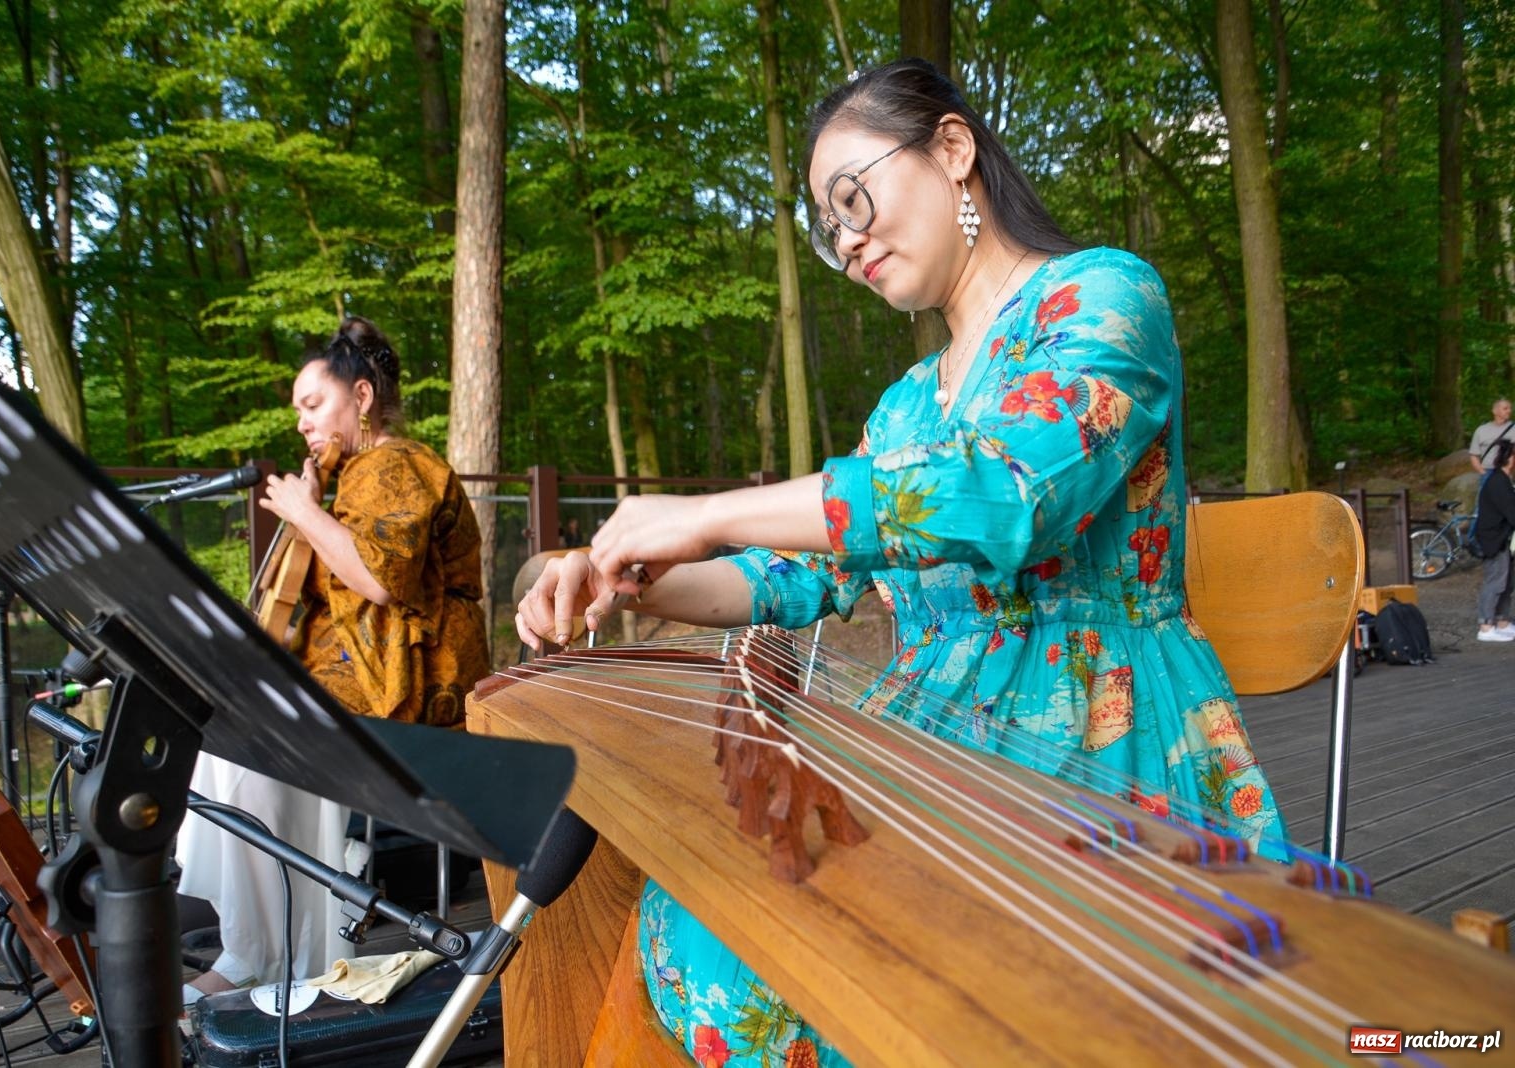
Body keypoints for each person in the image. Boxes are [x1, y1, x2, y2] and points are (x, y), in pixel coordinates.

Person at [515, 59, 1288, 1067]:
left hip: (1097, 742)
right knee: (710, 933)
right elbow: (794, 579)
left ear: (954, 150)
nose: (847, 242)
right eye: (827, 228)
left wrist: (702, 513)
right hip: (928, 744)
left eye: (852, 199)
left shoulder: (1101, 297)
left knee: (937, 1002)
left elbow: (1010, 494)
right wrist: (624, 572)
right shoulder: (908, 405)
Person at [177, 315, 492, 1002]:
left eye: (313, 404)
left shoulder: (397, 465)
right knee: (230, 732)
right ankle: (269, 944)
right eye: (298, 411)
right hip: (366, 683)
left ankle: (271, 951)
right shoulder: (354, 479)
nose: (301, 423)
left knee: (248, 742)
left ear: (363, 398)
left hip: (415, 687)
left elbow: (381, 579)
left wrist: (303, 513)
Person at [1472, 438, 1515, 642]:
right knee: (1495, 581)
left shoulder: (1504, 481)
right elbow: (1511, 512)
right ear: (1511, 459)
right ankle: (1486, 625)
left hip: (1502, 539)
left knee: (1506, 582)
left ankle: (1502, 621)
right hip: (1492, 540)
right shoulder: (1498, 482)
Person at [1468, 398, 1512, 474]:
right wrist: (1482, 471)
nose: (1509, 411)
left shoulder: (1513, 429)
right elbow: (1474, 454)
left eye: (1510, 408)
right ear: (1495, 411)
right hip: (1487, 472)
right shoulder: (1481, 430)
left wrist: (1508, 469)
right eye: (1505, 408)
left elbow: (1513, 453)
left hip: (1506, 472)